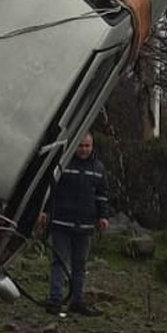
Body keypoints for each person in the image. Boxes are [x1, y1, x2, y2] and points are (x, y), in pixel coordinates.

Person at [40, 131, 109, 316]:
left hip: (85, 225)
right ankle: (56, 299)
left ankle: (77, 300)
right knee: (59, 262)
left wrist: (103, 217)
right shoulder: (63, 164)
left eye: (87, 146)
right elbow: (49, 190)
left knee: (80, 265)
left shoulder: (98, 168)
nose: (84, 149)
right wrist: (44, 211)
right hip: (61, 221)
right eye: (81, 146)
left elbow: (101, 195)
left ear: (92, 146)